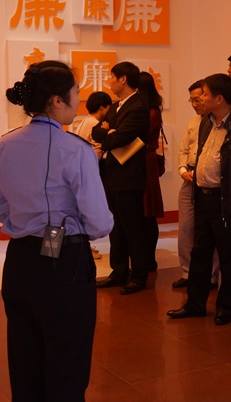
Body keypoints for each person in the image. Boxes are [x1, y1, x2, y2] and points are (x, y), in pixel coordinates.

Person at [0, 60, 114, 400]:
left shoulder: (2, 146)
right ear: (57, 100)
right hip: (65, 263)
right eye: (76, 92)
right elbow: (99, 222)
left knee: (24, 359)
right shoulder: (76, 150)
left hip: (20, 260)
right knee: (67, 362)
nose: (79, 99)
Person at [167, 74, 231, 325]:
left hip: (226, 201)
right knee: (200, 253)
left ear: (219, 99)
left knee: (228, 256)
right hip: (203, 197)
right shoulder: (205, 123)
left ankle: (226, 307)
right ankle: (195, 304)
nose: (200, 99)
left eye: (205, 94)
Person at [92, 61, 151, 295]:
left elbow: (121, 138)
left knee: (133, 227)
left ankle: (138, 275)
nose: (110, 82)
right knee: (116, 227)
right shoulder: (116, 106)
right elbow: (96, 131)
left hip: (129, 175)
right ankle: (118, 272)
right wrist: (108, 131)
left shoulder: (139, 106)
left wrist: (109, 132)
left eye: (112, 77)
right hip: (112, 174)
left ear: (123, 79)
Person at [174, 80, 219, 289]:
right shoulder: (193, 122)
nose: (194, 104)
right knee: (185, 229)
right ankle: (187, 272)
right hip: (189, 179)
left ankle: (211, 275)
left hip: (209, 182)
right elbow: (183, 151)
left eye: (198, 99)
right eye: (191, 100)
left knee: (209, 229)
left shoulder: (219, 123)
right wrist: (183, 170)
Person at [75, 91, 112, 260]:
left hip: (82, 168)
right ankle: (85, 248)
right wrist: (107, 132)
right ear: (102, 107)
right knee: (86, 210)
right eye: (109, 107)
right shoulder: (95, 124)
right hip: (90, 169)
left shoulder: (85, 120)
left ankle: (86, 247)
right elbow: (100, 146)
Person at [138, 71, 165, 272]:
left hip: (145, 163)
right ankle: (146, 258)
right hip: (144, 162)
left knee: (147, 214)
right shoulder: (150, 109)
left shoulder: (150, 112)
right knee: (144, 214)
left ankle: (148, 259)